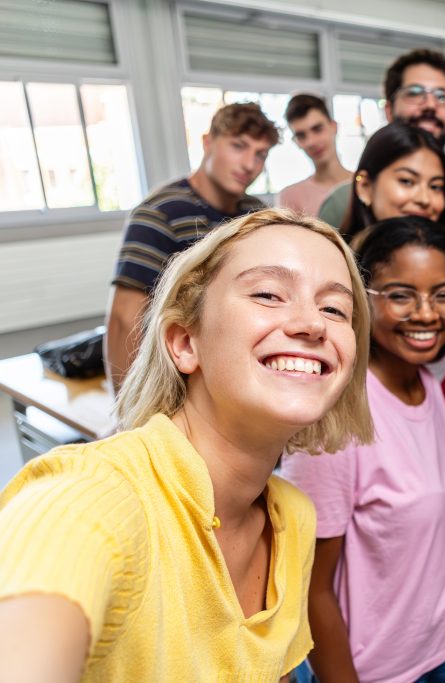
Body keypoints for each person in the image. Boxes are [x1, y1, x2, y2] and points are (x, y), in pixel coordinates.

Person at [0, 208, 373, 681]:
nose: (312, 324)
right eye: (268, 294)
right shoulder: (98, 496)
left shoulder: (292, 518)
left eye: (335, 309)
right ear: (184, 342)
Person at [281, 216, 445, 683]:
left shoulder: (428, 384)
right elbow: (310, 590)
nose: (427, 313)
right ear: (362, 300)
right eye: (401, 295)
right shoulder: (337, 419)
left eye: (443, 294)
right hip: (378, 669)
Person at [105, 102, 278, 391]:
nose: (249, 164)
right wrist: (131, 412)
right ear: (208, 143)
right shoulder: (160, 213)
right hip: (178, 379)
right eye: (238, 146)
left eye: (260, 154)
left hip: (242, 374)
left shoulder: (256, 214)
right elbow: (125, 319)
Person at [319, 48, 445, 275]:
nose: (431, 105)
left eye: (442, 96)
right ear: (389, 108)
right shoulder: (341, 202)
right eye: (415, 93)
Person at [342, 121, 445, 379]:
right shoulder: (334, 266)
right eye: (407, 181)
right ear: (364, 186)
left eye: (436, 186)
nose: (424, 199)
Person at [278, 93, 352, 215]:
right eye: (301, 135)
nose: (311, 142)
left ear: (334, 127)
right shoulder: (291, 197)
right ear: (295, 142)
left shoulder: (365, 183)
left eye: (317, 129)